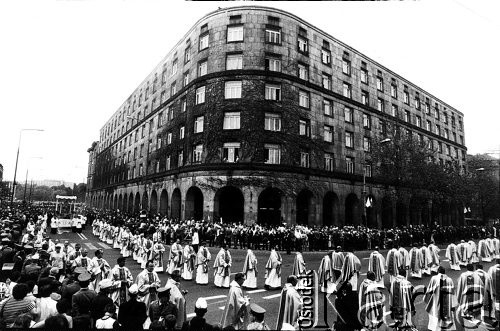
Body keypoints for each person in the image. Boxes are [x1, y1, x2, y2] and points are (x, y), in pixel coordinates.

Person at [424, 266, 456, 331]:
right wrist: (453, 304)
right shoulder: (450, 280)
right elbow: (453, 293)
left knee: (435, 314)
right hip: (447, 302)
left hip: (436, 301)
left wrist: (427, 299)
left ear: (438, 271)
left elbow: (429, 290)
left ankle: (435, 329)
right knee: (446, 314)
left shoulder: (434, 278)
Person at [487, 258, 500, 325]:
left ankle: (498, 322)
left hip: (495, 293)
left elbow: (488, 279)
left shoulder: (491, 269)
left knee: (497, 308)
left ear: (496, 261)